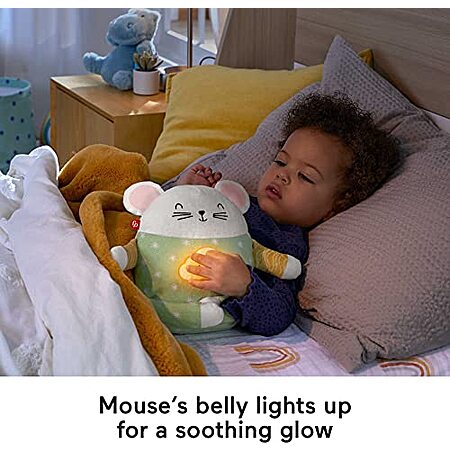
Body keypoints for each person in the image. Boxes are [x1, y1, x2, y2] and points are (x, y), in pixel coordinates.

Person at [177, 92, 401, 336]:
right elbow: (152, 227)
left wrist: (244, 286)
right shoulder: (233, 200)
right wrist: (185, 194)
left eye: (305, 176)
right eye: (281, 162)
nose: (282, 175)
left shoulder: (285, 244)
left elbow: (279, 315)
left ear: (336, 206)